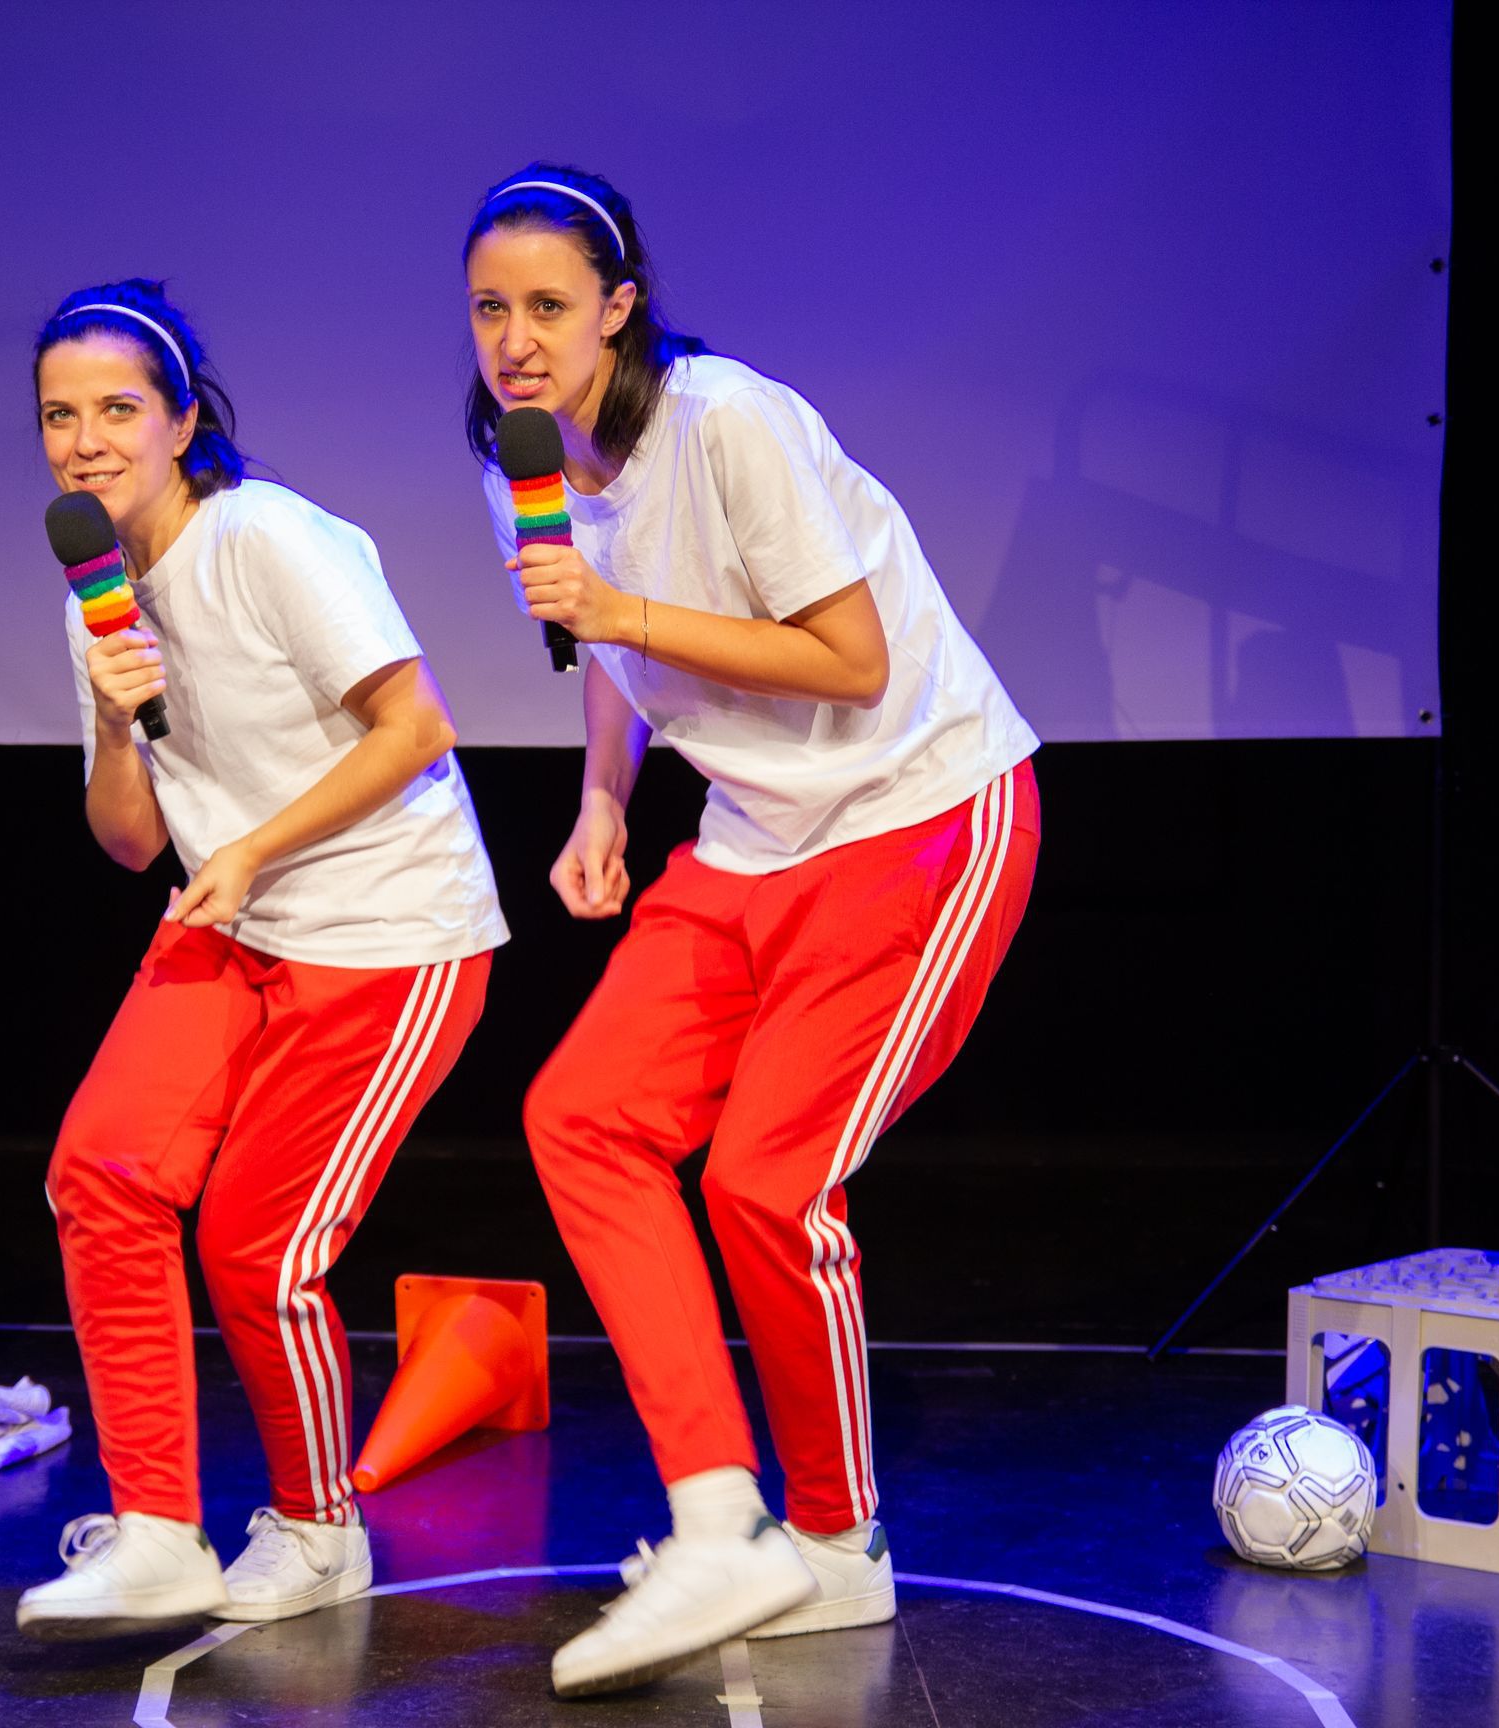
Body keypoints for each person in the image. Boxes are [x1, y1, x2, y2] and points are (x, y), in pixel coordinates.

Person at [464, 167, 1043, 1696]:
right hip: (751, 835)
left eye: (547, 307)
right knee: (583, 1116)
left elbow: (850, 661)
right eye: (489, 310)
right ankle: (723, 1521)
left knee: (769, 1185)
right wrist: (603, 799)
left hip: (918, 812)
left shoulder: (727, 421)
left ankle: (838, 1547)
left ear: (619, 308)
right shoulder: (520, 460)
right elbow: (598, 644)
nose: (515, 341)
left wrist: (621, 614)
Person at [18, 279, 508, 1637]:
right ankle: (158, 1532)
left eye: (118, 409)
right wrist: (114, 720)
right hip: (230, 919)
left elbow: (418, 728)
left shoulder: (268, 537)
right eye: (58, 416)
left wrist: (248, 849)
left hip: (385, 931)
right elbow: (130, 841)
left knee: (257, 1245)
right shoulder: (96, 591)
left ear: (183, 422)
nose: (85, 442)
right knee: (101, 1169)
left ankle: (317, 1531)